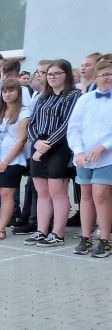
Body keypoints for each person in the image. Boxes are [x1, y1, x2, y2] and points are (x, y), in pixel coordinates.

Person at [24, 59, 81, 247]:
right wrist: (37, 143)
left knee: (57, 192)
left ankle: (57, 233)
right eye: (49, 74)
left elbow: (67, 125)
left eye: (57, 73)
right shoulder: (43, 96)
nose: (52, 77)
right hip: (39, 144)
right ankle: (41, 230)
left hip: (59, 147)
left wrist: (45, 146)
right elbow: (31, 124)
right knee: (42, 192)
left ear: (67, 75)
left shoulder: (73, 95)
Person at [67, 57, 112, 257]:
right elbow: (74, 128)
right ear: (95, 77)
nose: (109, 78)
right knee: (85, 195)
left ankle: (105, 239)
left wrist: (104, 146)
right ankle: (86, 237)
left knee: (100, 195)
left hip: (107, 156)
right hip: (85, 157)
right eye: (105, 75)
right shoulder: (84, 99)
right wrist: (78, 151)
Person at [0, 80, 30, 240]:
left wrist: (6, 161)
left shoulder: (24, 113)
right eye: (4, 91)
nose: (7, 94)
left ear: (18, 92)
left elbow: (22, 139)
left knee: (6, 194)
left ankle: (2, 228)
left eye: (11, 91)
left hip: (12, 161)